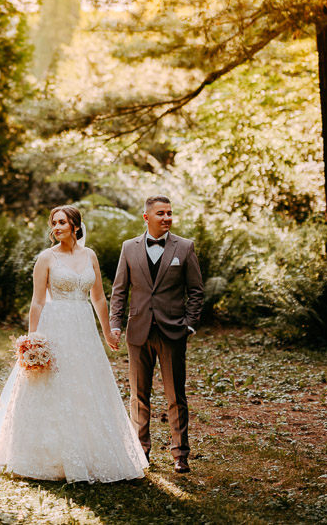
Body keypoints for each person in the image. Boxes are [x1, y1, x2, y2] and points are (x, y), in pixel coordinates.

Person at [0, 205, 147, 482]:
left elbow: (98, 298)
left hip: (84, 329)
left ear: (75, 226)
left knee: (86, 384)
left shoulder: (90, 255)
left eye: (62, 222)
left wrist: (107, 332)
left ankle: (90, 451)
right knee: (52, 384)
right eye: (54, 223)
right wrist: (31, 340)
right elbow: (37, 301)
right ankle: (46, 456)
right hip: (55, 325)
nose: (56, 227)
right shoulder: (46, 258)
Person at [110, 195, 204, 474]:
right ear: (146, 217)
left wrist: (189, 324)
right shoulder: (129, 248)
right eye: (161, 213)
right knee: (138, 396)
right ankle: (141, 452)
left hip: (172, 331)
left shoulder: (185, 247)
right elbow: (119, 291)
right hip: (138, 332)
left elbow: (196, 291)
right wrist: (115, 324)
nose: (166, 218)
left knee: (176, 395)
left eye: (169, 213)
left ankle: (180, 454)